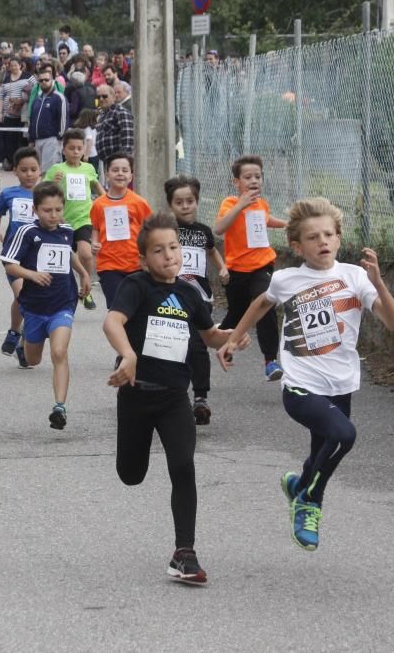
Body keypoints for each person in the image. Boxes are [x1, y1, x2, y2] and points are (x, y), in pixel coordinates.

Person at [216, 198, 394, 551]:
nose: (323, 242)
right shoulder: (287, 279)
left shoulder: (355, 276)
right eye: (313, 237)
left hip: (340, 385)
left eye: (329, 234)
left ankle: (300, 483)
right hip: (300, 386)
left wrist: (378, 283)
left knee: (324, 449)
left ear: (338, 237)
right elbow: (260, 304)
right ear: (297, 246)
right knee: (343, 434)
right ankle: (309, 501)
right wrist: (234, 338)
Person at [103, 211, 246, 584]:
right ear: (143, 259)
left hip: (173, 400)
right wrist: (128, 356)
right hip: (135, 396)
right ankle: (135, 467)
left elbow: (210, 334)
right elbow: (112, 322)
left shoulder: (188, 293)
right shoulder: (136, 286)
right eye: (158, 250)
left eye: (173, 247)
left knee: (183, 467)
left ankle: (185, 553)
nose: (168, 255)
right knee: (130, 475)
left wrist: (231, 338)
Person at [1, 181, 90, 429]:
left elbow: (68, 252)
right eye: (47, 210)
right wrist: (31, 275)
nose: (54, 215)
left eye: (58, 209)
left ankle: (59, 407)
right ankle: (24, 340)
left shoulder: (66, 230)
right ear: (35, 210)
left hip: (63, 302)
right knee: (34, 360)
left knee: (59, 352)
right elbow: (9, 264)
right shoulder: (27, 232)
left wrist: (83, 272)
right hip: (34, 306)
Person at [213, 155, 287, 380]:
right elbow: (219, 228)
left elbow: (266, 219)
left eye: (258, 176)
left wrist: (287, 223)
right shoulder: (229, 203)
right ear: (237, 182)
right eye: (248, 177)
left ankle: (270, 361)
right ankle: (223, 343)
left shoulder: (262, 204)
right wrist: (240, 205)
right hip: (237, 270)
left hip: (262, 265)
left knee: (265, 304)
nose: (254, 180)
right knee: (236, 314)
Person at [165, 175, 230, 425]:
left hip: (201, 297)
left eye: (189, 201)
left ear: (197, 202)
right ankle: (174, 394)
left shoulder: (203, 232)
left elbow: (213, 252)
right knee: (175, 343)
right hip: (173, 296)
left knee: (199, 346)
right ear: (171, 205)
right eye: (179, 202)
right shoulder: (169, 232)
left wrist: (222, 268)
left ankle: (201, 397)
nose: (185, 206)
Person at [0, 146, 41, 368]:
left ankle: (21, 343)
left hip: (39, 256)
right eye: (24, 170)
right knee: (23, 296)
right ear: (16, 172)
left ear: (40, 171)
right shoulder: (9, 193)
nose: (29, 174)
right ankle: (15, 332)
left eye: (33, 169)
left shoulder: (45, 194)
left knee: (34, 302)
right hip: (14, 254)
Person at [44, 128, 104, 310]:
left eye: (79, 148)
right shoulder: (57, 169)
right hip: (62, 221)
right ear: (64, 150)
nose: (76, 152)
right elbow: (42, 190)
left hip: (84, 218)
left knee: (85, 254)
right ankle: (59, 293)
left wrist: (108, 200)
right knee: (63, 260)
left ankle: (86, 289)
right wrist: (54, 182)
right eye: (72, 148)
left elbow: (97, 188)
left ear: (84, 149)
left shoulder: (88, 168)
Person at [89, 152, 152, 308]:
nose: (120, 174)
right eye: (115, 170)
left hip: (136, 264)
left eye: (125, 170)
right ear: (107, 174)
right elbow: (96, 228)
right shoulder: (98, 204)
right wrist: (94, 243)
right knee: (117, 308)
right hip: (108, 265)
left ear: (131, 175)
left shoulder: (139, 203)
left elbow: (150, 230)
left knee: (136, 308)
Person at [28, 65, 68, 171]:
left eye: (46, 79)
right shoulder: (37, 100)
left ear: (52, 80)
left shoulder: (59, 98)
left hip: (52, 140)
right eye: (41, 80)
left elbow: (63, 119)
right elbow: (32, 120)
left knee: (50, 172)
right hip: (37, 140)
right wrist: (31, 139)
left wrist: (60, 137)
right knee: (39, 171)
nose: (44, 82)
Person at [94, 83, 134, 163]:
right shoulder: (102, 116)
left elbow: (128, 137)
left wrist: (124, 160)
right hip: (107, 162)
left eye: (104, 96)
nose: (101, 99)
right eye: (98, 97)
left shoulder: (120, 112)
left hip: (119, 162)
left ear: (113, 97)